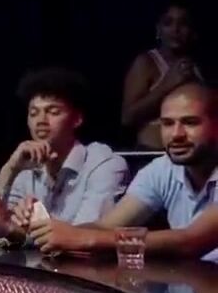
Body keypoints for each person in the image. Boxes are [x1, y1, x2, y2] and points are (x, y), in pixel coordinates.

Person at [30, 83, 218, 262]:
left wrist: (83, 239)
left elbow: (190, 242)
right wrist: (46, 232)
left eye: (190, 123)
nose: (176, 134)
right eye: (167, 123)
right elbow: (105, 227)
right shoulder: (162, 169)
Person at [0, 68, 128, 246]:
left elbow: (83, 238)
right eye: (33, 113)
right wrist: (10, 169)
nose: (41, 121)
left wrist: (15, 229)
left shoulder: (104, 165)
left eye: (53, 112)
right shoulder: (25, 169)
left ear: (77, 119)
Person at [122, 0, 204, 150]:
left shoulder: (198, 67)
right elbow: (127, 117)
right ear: (158, 30)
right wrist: (167, 86)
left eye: (183, 23)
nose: (175, 29)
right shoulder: (146, 62)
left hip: (192, 155)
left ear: (193, 31)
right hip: (153, 153)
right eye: (168, 23)